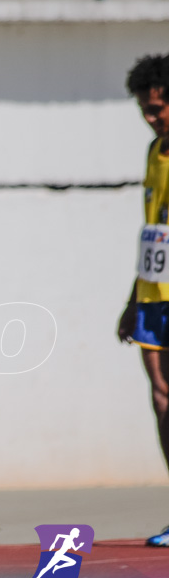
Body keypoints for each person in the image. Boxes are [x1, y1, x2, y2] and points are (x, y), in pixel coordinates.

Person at [118, 53, 169, 547]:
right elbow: (154, 232)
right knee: (161, 398)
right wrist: (134, 299)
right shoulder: (155, 151)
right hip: (155, 297)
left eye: (158, 108)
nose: (152, 118)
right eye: (145, 111)